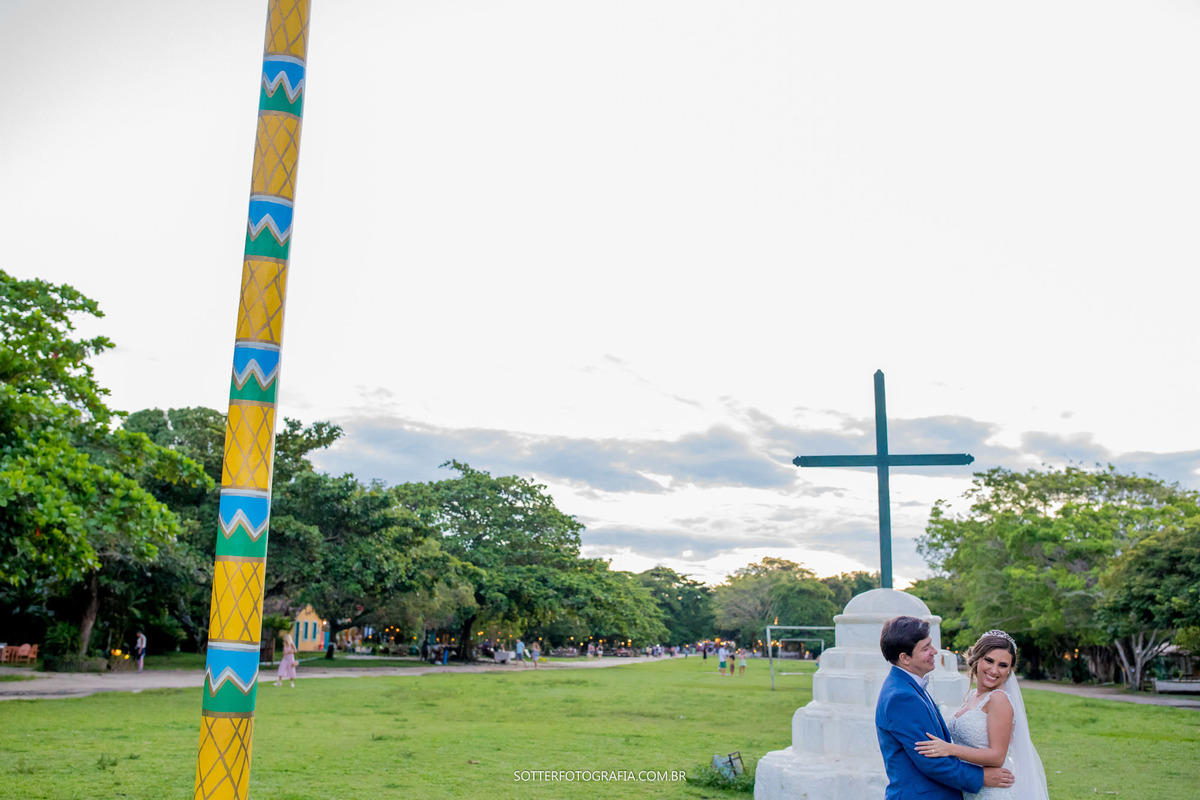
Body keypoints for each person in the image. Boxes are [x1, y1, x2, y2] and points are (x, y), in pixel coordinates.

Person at [875, 616, 1014, 799]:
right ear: (905, 658)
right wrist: (982, 777)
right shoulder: (901, 696)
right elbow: (931, 761)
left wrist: (951, 749)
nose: (934, 652)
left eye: (931, 645)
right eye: (926, 648)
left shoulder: (910, 686)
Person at [915, 630, 1050, 800]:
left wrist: (949, 749)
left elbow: (997, 757)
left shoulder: (998, 699)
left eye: (1003, 665)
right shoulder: (972, 695)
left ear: (1009, 670)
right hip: (974, 787)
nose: (994, 670)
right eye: (989, 660)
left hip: (994, 792)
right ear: (977, 658)